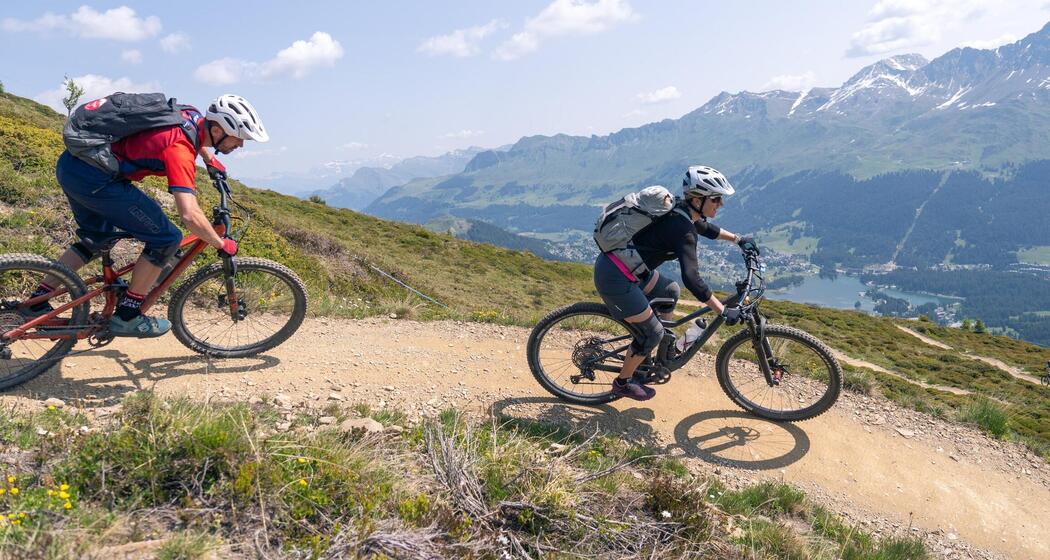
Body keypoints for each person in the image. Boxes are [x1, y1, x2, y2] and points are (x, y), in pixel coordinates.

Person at [29, 94, 268, 337]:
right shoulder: (179, 149)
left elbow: (195, 136)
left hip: (73, 166)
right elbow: (189, 214)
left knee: (96, 239)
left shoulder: (190, 114)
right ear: (218, 130)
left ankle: (36, 303)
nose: (241, 145)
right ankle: (128, 316)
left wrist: (210, 159)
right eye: (239, 138)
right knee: (167, 238)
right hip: (97, 181)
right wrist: (219, 243)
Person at [593, 165, 757, 400]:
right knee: (652, 333)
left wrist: (738, 239)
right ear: (698, 199)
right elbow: (692, 278)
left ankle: (656, 358)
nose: (720, 203)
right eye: (716, 199)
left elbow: (705, 228)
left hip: (624, 268)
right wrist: (721, 311)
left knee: (669, 291)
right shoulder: (683, 230)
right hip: (617, 278)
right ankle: (623, 382)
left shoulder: (682, 210)